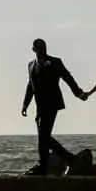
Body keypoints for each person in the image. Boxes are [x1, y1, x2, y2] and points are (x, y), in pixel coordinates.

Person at [20, 37, 88, 175]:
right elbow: (30, 85)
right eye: (38, 47)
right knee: (43, 137)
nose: (41, 49)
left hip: (52, 104)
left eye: (43, 47)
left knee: (43, 136)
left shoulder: (55, 62)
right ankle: (65, 159)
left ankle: (45, 165)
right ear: (34, 49)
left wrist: (78, 92)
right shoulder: (30, 65)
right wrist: (25, 104)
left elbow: (67, 77)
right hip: (39, 105)